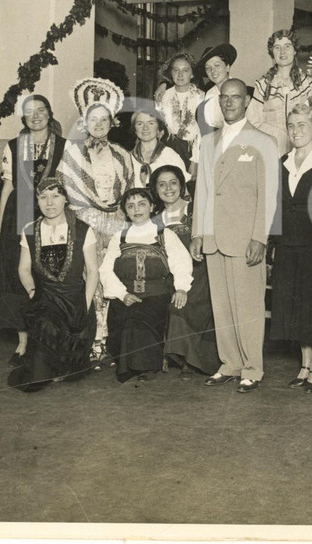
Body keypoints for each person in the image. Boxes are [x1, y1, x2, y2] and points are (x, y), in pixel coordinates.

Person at [191, 78, 278, 393]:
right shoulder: (208, 141)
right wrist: (198, 233)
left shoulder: (263, 141)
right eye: (224, 97)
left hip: (244, 238)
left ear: (246, 102)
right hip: (214, 237)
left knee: (248, 306)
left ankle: (252, 368)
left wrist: (260, 237)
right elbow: (202, 191)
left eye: (235, 97)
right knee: (222, 305)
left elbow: (269, 196)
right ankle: (229, 363)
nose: (229, 102)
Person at [59, 77, 134, 363]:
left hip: (114, 222)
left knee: (109, 275)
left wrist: (116, 222)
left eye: (104, 119)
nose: (99, 124)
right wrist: (91, 218)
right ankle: (90, 337)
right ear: (84, 121)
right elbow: (69, 191)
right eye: (93, 118)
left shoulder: (122, 154)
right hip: (83, 222)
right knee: (86, 278)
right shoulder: (73, 153)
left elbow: (127, 191)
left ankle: (108, 337)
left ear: (112, 122)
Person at [270, 104, 312, 392]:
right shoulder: (281, 161)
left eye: (302, 125)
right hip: (288, 244)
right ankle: (303, 363)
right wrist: (273, 244)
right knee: (294, 306)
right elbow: (275, 207)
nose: (296, 131)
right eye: (292, 125)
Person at [0, 94, 67, 366]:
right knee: (16, 277)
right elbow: (8, 188)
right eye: (29, 112)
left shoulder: (64, 146)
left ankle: (47, 339)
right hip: (19, 216)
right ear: (23, 118)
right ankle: (23, 342)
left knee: (48, 274)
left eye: (40, 110)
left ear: (49, 113)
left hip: (52, 215)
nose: (35, 116)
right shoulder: (14, 146)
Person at [8, 178, 99, 393]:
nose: (50, 203)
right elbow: (23, 269)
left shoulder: (83, 229)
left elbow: (93, 271)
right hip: (46, 298)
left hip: (75, 299)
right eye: (43, 197)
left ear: (66, 199)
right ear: (37, 201)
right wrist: (33, 293)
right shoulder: (30, 230)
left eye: (55, 196)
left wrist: (84, 306)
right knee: (44, 328)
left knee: (70, 367)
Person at [100, 187, 193, 384]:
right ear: (125, 210)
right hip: (126, 294)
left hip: (156, 295)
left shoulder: (165, 234)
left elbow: (181, 262)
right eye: (131, 206)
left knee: (142, 319)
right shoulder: (120, 237)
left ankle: (146, 366)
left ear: (152, 206)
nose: (137, 209)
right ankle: (129, 364)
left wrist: (182, 288)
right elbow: (106, 270)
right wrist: (122, 294)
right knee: (126, 317)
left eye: (142, 204)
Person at [150, 165, 221, 379]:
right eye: (162, 184)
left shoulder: (196, 211)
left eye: (173, 182)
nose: (168, 188)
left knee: (193, 302)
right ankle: (180, 356)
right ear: (155, 189)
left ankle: (192, 360)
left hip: (202, 272)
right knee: (171, 301)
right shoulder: (154, 221)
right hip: (172, 276)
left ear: (182, 185)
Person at [247, 29, 312, 155]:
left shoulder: (308, 83)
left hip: (300, 144)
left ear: (295, 50)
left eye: (287, 46)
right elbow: (253, 120)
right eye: (277, 47)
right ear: (272, 52)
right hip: (270, 147)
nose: (282, 52)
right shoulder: (263, 84)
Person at [154, 53, 203, 177]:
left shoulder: (201, 96)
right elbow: (157, 127)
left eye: (185, 70)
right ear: (171, 73)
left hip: (193, 151)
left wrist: (195, 160)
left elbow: (202, 131)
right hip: (167, 150)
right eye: (176, 70)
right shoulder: (163, 96)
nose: (180, 75)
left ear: (192, 74)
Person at [128, 106, 191, 188]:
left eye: (151, 123)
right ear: (135, 129)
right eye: (140, 124)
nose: (145, 128)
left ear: (158, 128)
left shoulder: (170, 155)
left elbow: (181, 188)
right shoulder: (128, 158)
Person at [196, 43, 237, 138]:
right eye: (208, 68)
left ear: (227, 67)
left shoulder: (241, 90)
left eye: (217, 65)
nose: (213, 71)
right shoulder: (207, 94)